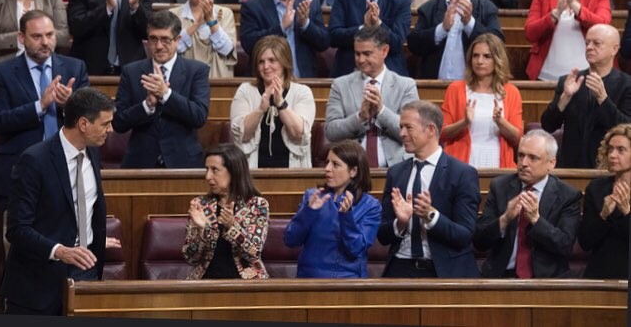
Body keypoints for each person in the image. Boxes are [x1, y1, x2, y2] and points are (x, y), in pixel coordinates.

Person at [1, 87, 118, 315]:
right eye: (105, 124)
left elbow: (82, 208)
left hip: (86, 272)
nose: (111, 130)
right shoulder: (34, 160)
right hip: (39, 283)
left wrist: (91, 238)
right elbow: (16, 229)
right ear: (83, 124)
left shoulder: (92, 152)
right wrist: (60, 250)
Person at [0, 10, 89, 215]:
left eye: (50, 35)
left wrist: (70, 104)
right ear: (21, 38)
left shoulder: (75, 68)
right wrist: (39, 106)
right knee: (20, 239)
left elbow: (91, 119)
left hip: (67, 167)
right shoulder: (1, 73)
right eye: (37, 36)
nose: (45, 42)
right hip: (20, 167)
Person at [378, 100, 481, 278]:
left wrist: (432, 216)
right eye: (401, 127)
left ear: (431, 130)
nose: (401, 133)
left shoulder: (462, 174)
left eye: (408, 127)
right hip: (400, 268)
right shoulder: (396, 173)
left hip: (444, 270)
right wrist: (400, 223)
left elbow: (465, 235)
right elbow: (382, 235)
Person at [474, 130, 581, 278]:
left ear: (551, 163)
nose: (523, 163)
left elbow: (565, 245)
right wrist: (505, 219)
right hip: (501, 276)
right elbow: (479, 241)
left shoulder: (568, 196)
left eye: (533, 158)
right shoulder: (500, 187)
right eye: (521, 155)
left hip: (547, 281)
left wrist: (536, 220)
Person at [112, 10, 210, 168]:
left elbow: (199, 116)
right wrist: (147, 105)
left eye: (165, 39)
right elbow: (118, 122)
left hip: (183, 163)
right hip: (140, 164)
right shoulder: (131, 72)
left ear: (177, 40)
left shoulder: (197, 71)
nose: (158, 46)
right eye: (153, 39)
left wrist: (166, 94)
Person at [283, 140, 382, 278]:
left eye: (335, 164)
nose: (327, 168)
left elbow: (355, 249)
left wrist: (346, 216)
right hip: (308, 280)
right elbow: (291, 240)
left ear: (353, 171)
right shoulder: (313, 197)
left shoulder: (370, 206)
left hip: (347, 282)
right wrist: (309, 212)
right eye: (327, 162)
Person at [325, 25, 419, 168]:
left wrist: (381, 111)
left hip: (396, 169)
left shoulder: (406, 86)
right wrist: (360, 117)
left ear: (384, 51)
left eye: (367, 54)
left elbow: (413, 132)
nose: (361, 60)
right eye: (357, 54)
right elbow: (331, 131)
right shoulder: (340, 85)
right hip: (351, 170)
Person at [541, 24, 631, 169]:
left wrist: (603, 99)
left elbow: (626, 128)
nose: (589, 47)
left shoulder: (626, 85)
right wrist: (564, 99)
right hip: (570, 167)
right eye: (587, 43)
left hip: (609, 168)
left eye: (596, 43)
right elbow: (548, 125)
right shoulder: (569, 81)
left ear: (614, 49)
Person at [407, 0, 504, 80]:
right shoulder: (429, 8)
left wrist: (470, 23)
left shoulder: (487, 7)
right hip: (434, 85)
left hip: (474, 85)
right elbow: (414, 45)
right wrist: (442, 29)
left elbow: (498, 44)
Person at [183, 144, 270, 279]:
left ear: (234, 171)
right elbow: (191, 258)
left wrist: (232, 226)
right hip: (205, 282)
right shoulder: (201, 205)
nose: (207, 176)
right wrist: (201, 231)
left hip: (246, 284)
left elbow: (253, 253)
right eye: (207, 169)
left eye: (215, 170)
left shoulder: (256, 205)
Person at [240, 0, 330, 79]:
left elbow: (324, 43)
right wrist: (281, 27)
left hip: (303, 80)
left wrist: (305, 24)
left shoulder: (311, 3)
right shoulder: (252, 7)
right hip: (265, 81)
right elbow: (249, 45)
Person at [230, 35, 315, 168]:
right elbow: (241, 135)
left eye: (272, 60)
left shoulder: (302, 92)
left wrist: (281, 103)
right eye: (261, 62)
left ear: (284, 62)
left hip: (293, 172)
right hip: (251, 172)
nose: (266, 66)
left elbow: (299, 134)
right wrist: (260, 109)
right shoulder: (245, 91)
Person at [441, 33, 523, 169]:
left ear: (497, 59)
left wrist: (501, 122)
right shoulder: (455, 89)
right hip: (460, 164)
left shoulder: (511, 92)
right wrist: (464, 122)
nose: (479, 61)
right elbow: (442, 133)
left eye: (486, 56)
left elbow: (518, 139)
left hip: (498, 163)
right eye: (475, 55)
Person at [578, 124, 631, 279]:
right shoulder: (596, 189)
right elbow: (585, 242)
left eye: (621, 150)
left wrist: (627, 213)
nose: (613, 155)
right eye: (610, 149)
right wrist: (603, 215)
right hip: (601, 272)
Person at [169, 0, 237, 79]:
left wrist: (211, 20)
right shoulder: (174, 15)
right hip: (185, 82)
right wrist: (197, 24)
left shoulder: (225, 13)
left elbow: (227, 50)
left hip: (218, 82)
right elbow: (172, 48)